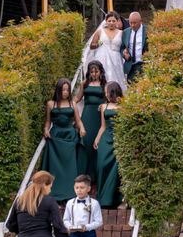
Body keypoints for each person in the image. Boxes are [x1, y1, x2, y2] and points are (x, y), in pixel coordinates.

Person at [41, 78, 87, 202]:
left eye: (67, 90)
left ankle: (70, 194)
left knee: (70, 166)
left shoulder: (73, 103)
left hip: (70, 136)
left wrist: (82, 128)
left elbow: (78, 120)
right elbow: (48, 121)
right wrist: (46, 130)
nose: (65, 92)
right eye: (63, 90)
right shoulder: (51, 104)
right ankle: (54, 193)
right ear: (58, 90)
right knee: (55, 168)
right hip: (56, 136)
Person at [74, 61, 107, 183]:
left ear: (100, 72)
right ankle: (83, 177)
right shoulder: (85, 83)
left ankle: (94, 179)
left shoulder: (105, 85)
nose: (94, 74)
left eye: (96, 71)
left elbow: (108, 100)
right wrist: (68, 105)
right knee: (86, 143)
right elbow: (77, 98)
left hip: (99, 117)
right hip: (87, 115)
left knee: (96, 145)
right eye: (92, 72)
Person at [93, 81, 123, 209]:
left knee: (116, 169)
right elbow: (102, 126)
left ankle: (113, 199)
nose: (104, 93)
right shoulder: (103, 107)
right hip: (105, 139)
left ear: (112, 92)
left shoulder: (123, 107)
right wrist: (97, 139)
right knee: (101, 165)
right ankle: (102, 198)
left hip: (118, 139)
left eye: (106, 91)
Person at [90, 11, 127, 90]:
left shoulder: (122, 33)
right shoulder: (100, 31)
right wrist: (98, 44)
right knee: (103, 77)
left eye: (113, 21)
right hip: (102, 58)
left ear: (117, 21)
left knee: (116, 79)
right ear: (106, 21)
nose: (111, 23)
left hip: (116, 59)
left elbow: (125, 46)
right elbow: (91, 45)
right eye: (109, 21)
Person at [121, 11, 148, 83]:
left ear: (140, 21)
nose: (132, 25)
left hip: (145, 65)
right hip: (131, 66)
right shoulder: (125, 32)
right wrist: (124, 54)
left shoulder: (148, 30)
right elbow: (122, 47)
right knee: (131, 90)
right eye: (130, 23)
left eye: (135, 23)